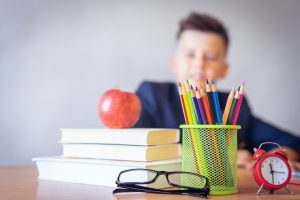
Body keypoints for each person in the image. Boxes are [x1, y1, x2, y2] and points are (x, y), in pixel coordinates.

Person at [134, 12, 300, 170]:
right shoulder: (152, 95)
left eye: (211, 57)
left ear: (224, 69)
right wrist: (221, 156)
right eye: (190, 54)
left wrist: (276, 159)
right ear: (174, 63)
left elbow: (291, 142)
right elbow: (132, 146)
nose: (199, 63)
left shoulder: (235, 106)